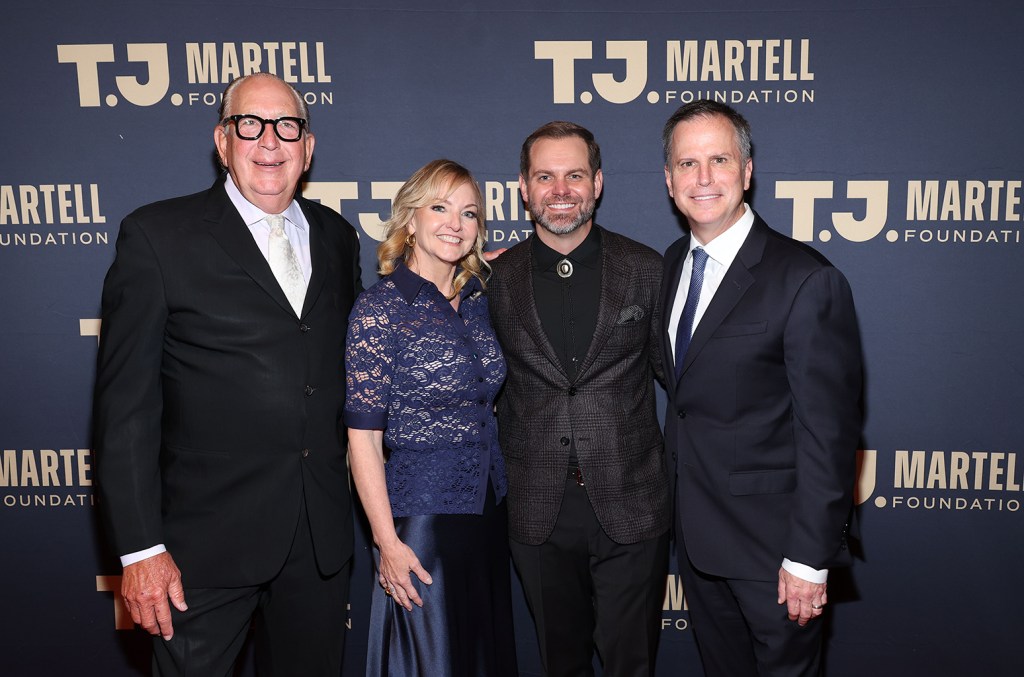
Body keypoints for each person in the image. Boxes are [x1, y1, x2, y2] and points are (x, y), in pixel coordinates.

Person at [92, 72, 361, 676]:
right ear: (222, 140)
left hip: (317, 543)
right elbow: (125, 409)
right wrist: (140, 549)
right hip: (201, 549)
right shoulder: (158, 236)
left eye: (287, 126)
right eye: (250, 124)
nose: (269, 141)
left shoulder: (338, 237)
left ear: (308, 147)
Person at [660, 100, 863, 676]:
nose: (703, 178)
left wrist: (809, 558)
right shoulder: (673, 264)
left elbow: (828, 434)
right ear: (669, 179)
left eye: (719, 160)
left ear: (747, 171)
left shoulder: (806, 278)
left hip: (775, 553)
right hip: (697, 541)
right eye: (687, 163)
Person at [488, 121, 670, 676]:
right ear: (524, 187)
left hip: (631, 501)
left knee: (632, 665)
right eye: (545, 177)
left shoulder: (647, 269)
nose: (560, 190)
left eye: (574, 175)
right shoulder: (493, 279)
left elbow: (685, 383)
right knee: (560, 665)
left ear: (598, 183)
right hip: (537, 506)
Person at [345, 159, 518, 677]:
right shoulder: (380, 310)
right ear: (410, 219)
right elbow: (362, 441)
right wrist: (387, 543)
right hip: (422, 528)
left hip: (488, 513)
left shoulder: (479, 302)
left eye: (469, 213)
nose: (455, 224)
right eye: (439, 207)